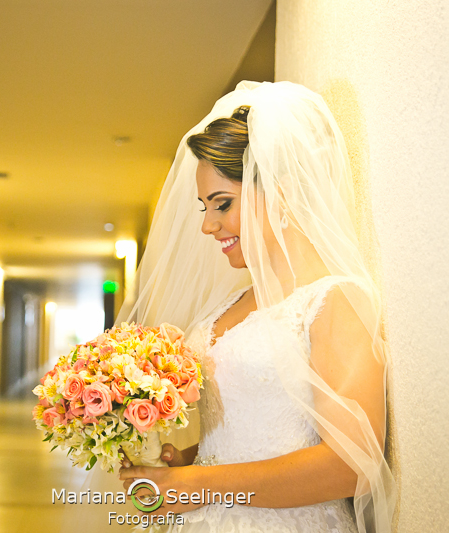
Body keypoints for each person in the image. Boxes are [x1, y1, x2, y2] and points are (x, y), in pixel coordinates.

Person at [115, 81, 395, 532]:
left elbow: (352, 465)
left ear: (281, 192)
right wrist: (182, 463)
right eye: (204, 207)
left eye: (221, 203)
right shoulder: (229, 304)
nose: (208, 226)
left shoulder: (335, 300)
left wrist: (198, 483)